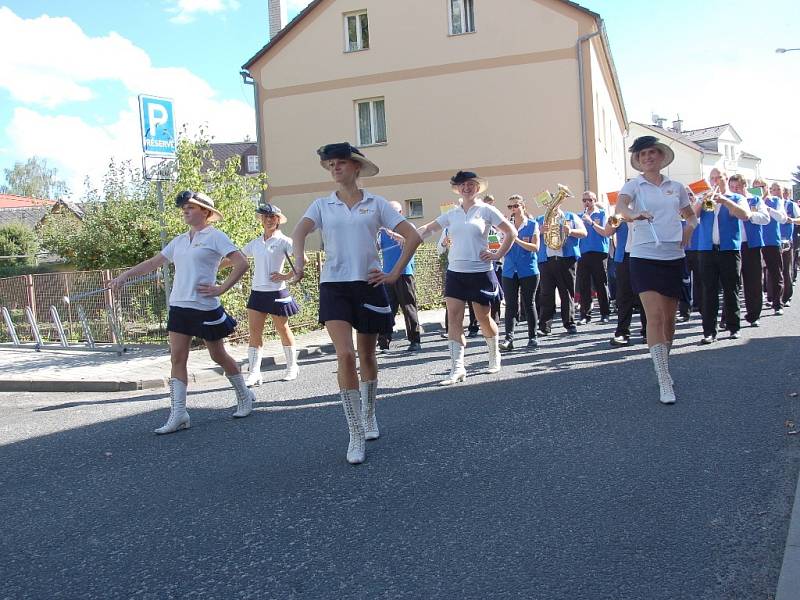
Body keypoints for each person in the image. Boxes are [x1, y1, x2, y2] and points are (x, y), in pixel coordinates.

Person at [290, 142, 421, 465]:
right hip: (334, 286)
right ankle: (355, 433)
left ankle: (369, 413)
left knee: (367, 355)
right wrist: (299, 257)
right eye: (330, 164)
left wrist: (392, 273)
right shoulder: (322, 205)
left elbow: (413, 235)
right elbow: (299, 231)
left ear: (356, 167)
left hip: (369, 284)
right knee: (345, 355)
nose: (335, 168)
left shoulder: (376, 204)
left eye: (341, 163)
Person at [110, 191, 253, 433]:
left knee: (218, 356)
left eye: (190, 207)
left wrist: (221, 288)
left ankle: (244, 395)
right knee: (177, 358)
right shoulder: (178, 240)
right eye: (183, 208)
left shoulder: (215, 236)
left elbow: (242, 263)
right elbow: (153, 263)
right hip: (179, 306)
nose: (185, 211)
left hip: (204, 307)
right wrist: (124, 276)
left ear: (205, 212)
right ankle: (179, 414)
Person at [616, 136, 698, 405]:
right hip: (643, 255)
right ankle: (663, 377)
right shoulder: (633, 185)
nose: (648, 157)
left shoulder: (677, 187)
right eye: (643, 155)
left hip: (673, 256)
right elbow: (621, 208)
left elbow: (691, 215)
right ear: (638, 161)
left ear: (661, 157)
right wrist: (633, 215)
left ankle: (665, 363)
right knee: (654, 318)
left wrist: (688, 228)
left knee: (670, 320)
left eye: (653, 153)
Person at [416, 171, 516, 385]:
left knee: (483, 319)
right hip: (455, 273)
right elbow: (428, 229)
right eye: (462, 185)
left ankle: (493, 354)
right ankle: (457, 368)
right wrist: (409, 235)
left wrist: (498, 254)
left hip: (480, 271)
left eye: (471, 184)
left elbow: (511, 232)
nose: (466, 188)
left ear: (477, 187)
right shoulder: (452, 214)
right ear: (457, 189)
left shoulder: (486, 210)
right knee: (453, 319)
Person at [242, 203, 300, 386]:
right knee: (254, 332)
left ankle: (292, 367)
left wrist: (286, 275)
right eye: (266, 217)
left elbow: (302, 259)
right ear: (261, 220)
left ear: (278, 220)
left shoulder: (285, 241)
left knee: (282, 329)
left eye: (272, 217)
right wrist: (214, 267)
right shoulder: (255, 243)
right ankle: (255, 372)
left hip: (276, 292)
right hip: (257, 292)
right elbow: (237, 258)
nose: (269, 220)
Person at [694, 171, 751, 343]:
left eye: (718, 178)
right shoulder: (705, 199)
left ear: (725, 179)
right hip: (707, 250)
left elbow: (745, 215)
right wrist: (701, 201)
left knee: (731, 289)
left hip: (729, 249)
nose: (715, 181)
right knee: (708, 290)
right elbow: (692, 216)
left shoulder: (736, 198)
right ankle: (709, 331)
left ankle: (734, 327)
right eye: (712, 178)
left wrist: (725, 201)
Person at [536, 193, 587, 335]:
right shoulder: (540, 219)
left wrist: (571, 231)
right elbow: (533, 238)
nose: (551, 205)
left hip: (566, 259)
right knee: (546, 294)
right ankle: (544, 327)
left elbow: (584, 233)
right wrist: (540, 231)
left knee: (566, 293)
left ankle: (569, 323)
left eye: (554, 202)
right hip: (546, 260)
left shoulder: (570, 217)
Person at [377, 200, 423, 352]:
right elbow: (375, 248)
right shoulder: (381, 232)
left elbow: (409, 239)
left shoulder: (409, 228)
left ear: (401, 213)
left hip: (404, 273)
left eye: (396, 212)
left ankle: (415, 340)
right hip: (387, 274)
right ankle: (384, 341)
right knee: (386, 309)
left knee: (408, 307)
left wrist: (390, 231)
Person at [499, 195, 540, 351]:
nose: (513, 209)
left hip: (528, 269)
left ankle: (532, 337)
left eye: (515, 206)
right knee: (510, 305)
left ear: (523, 207)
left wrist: (515, 239)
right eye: (510, 207)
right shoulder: (506, 227)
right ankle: (509, 339)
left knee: (529, 304)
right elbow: (501, 247)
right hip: (509, 270)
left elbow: (535, 247)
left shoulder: (532, 224)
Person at [736, 177, 770, 327]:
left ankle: (753, 315)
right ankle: (729, 318)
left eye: (737, 187)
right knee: (731, 282)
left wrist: (749, 215)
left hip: (751, 245)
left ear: (744, 186)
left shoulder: (755, 199)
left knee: (753, 282)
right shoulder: (730, 200)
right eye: (732, 187)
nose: (735, 190)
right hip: (733, 244)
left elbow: (765, 218)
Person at [577, 190, 611, 324]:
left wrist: (591, 222)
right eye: (584, 200)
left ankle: (605, 313)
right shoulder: (580, 216)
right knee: (584, 285)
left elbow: (605, 232)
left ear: (595, 200)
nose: (587, 202)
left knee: (600, 284)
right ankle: (585, 315)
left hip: (599, 252)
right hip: (583, 252)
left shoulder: (602, 214)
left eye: (589, 200)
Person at [757, 179, 788, 315]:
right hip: (755, 242)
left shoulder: (775, 200)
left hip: (771, 242)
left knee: (776, 273)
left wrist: (767, 208)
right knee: (755, 276)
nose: (758, 190)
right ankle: (756, 305)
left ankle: (777, 304)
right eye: (755, 187)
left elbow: (782, 218)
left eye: (761, 187)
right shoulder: (751, 201)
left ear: (767, 188)